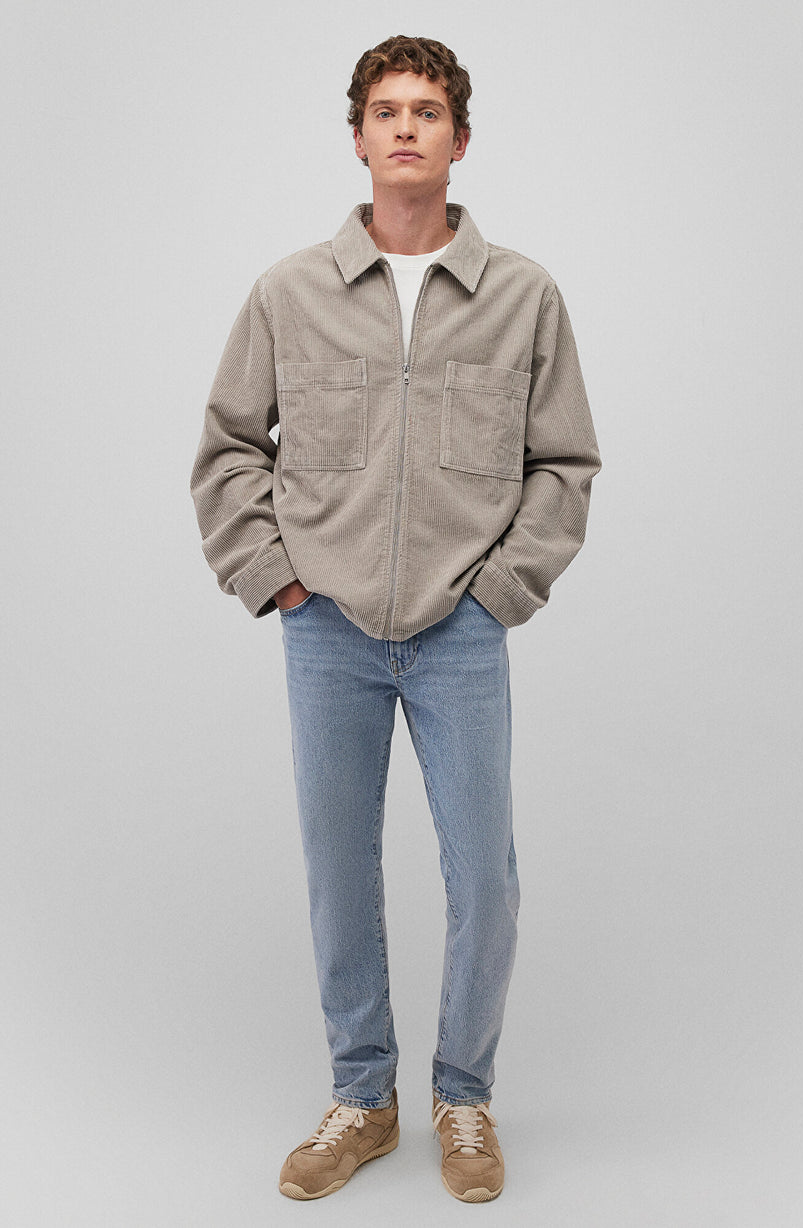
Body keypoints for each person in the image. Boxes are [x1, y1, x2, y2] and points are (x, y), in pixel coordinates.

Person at [190, 33, 601, 1204]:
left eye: (427, 111)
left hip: (459, 630)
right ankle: (361, 1099)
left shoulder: (521, 294)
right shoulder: (288, 293)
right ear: (359, 136)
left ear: (459, 140)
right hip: (326, 629)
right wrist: (277, 577)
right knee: (338, 869)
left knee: (486, 880)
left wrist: (500, 591)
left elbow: (563, 462)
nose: (406, 126)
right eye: (386, 110)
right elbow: (228, 448)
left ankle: (462, 1095)